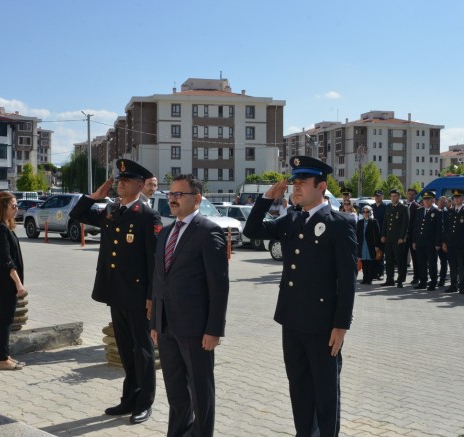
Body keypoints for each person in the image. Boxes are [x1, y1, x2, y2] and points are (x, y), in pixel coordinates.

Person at [243, 156, 357, 437]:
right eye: (294, 182)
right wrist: (266, 198)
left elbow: (347, 279)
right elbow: (252, 230)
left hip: (322, 325)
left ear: (321, 186)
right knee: (299, 388)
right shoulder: (292, 219)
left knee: (326, 392)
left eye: (302, 182)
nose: (296, 187)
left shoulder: (339, 223)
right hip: (292, 320)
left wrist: (341, 325)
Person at [70, 159, 161, 424]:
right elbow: (78, 215)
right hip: (116, 291)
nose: (120, 183)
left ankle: (145, 402)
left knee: (143, 350)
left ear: (141, 185)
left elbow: (154, 261)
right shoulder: (111, 210)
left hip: (137, 294)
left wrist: (151, 297)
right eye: (119, 180)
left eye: (126, 180)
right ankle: (129, 398)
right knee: (125, 347)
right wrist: (94, 197)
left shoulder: (147, 215)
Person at [149, 174, 229, 437]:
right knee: (175, 390)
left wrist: (214, 329)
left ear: (196, 198)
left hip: (196, 329)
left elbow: (219, 286)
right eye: (170, 194)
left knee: (200, 391)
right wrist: (155, 324)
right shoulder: (166, 232)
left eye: (178, 195)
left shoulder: (208, 231)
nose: (172, 199)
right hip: (167, 326)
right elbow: (158, 279)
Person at [0, 192, 28, 371]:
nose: (16, 209)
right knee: (5, 320)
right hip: (6, 282)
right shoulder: (0, 229)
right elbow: (6, 259)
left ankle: (4, 355)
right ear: (3, 207)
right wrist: (18, 283)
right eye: (13, 206)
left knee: (7, 319)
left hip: (7, 281)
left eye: (16, 205)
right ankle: (2, 359)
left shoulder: (5, 226)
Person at [442, 189, 464, 294]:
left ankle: (462, 286)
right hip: (451, 244)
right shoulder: (450, 212)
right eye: (455, 197)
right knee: (452, 266)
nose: (456, 199)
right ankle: (453, 285)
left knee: (462, 266)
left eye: (458, 197)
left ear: (463, 198)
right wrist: (444, 242)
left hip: (461, 244)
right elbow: (446, 229)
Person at [412, 190, 442, 291]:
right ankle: (423, 282)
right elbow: (416, 227)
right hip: (420, 242)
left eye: (428, 199)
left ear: (433, 200)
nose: (426, 201)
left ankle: (433, 282)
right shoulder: (420, 210)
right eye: (424, 199)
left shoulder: (437, 211)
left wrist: (438, 243)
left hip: (431, 243)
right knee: (421, 263)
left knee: (432, 264)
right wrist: (414, 241)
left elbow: (439, 229)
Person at [382, 189, 409, 287]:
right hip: (389, 237)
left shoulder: (403, 208)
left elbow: (405, 224)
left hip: (398, 238)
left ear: (399, 197)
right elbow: (385, 222)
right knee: (388, 259)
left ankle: (401, 279)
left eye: (395, 196)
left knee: (400, 260)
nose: (393, 198)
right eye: (392, 196)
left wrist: (402, 237)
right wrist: (383, 235)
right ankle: (390, 279)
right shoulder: (388, 207)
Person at [356, 206, 382, 285]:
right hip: (362, 245)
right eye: (364, 212)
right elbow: (357, 234)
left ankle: (370, 279)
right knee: (364, 262)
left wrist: (377, 246)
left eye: (367, 212)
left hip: (370, 245)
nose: (365, 214)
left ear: (370, 212)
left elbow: (377, 235)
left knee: (370, 262)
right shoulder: (360, 222)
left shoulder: (374, 221)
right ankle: (365, 278)